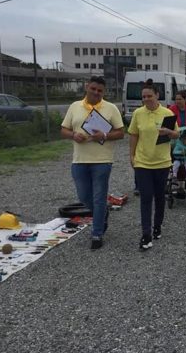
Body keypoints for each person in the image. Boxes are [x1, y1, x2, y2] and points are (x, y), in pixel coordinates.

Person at [61, 76, 125, 250]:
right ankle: (103, 213)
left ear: (104, 92)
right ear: (87, 87)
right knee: (84, 197)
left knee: (98, 197)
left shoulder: (111, 108)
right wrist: (73, 135)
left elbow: (120, 133)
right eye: (93, 89)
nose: (96, 92)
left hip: (102, 161)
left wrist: (104, 135)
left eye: (100, 91)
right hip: (79, 160)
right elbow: (64, 130)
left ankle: (97, 233)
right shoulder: (75, 106)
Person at [129, 80, 179, 251]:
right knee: (145, 198)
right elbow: (134, 135)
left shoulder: (167, 113)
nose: (146, 99)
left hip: (162, 162)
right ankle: (146, 235)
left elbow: (176, 134)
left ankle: (157, 226)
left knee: (159, 197)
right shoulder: (138, 113)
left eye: (149, 96)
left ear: (157, 95)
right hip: (143, 162)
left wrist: (169, 132)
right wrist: (132, 155)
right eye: (143, 97)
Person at [172, 127, 186, 194]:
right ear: (183, 139)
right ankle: (174, 176)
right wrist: (180, 152)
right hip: (178, 159)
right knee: (175, 164)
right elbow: (174, 152)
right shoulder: (179, 144)